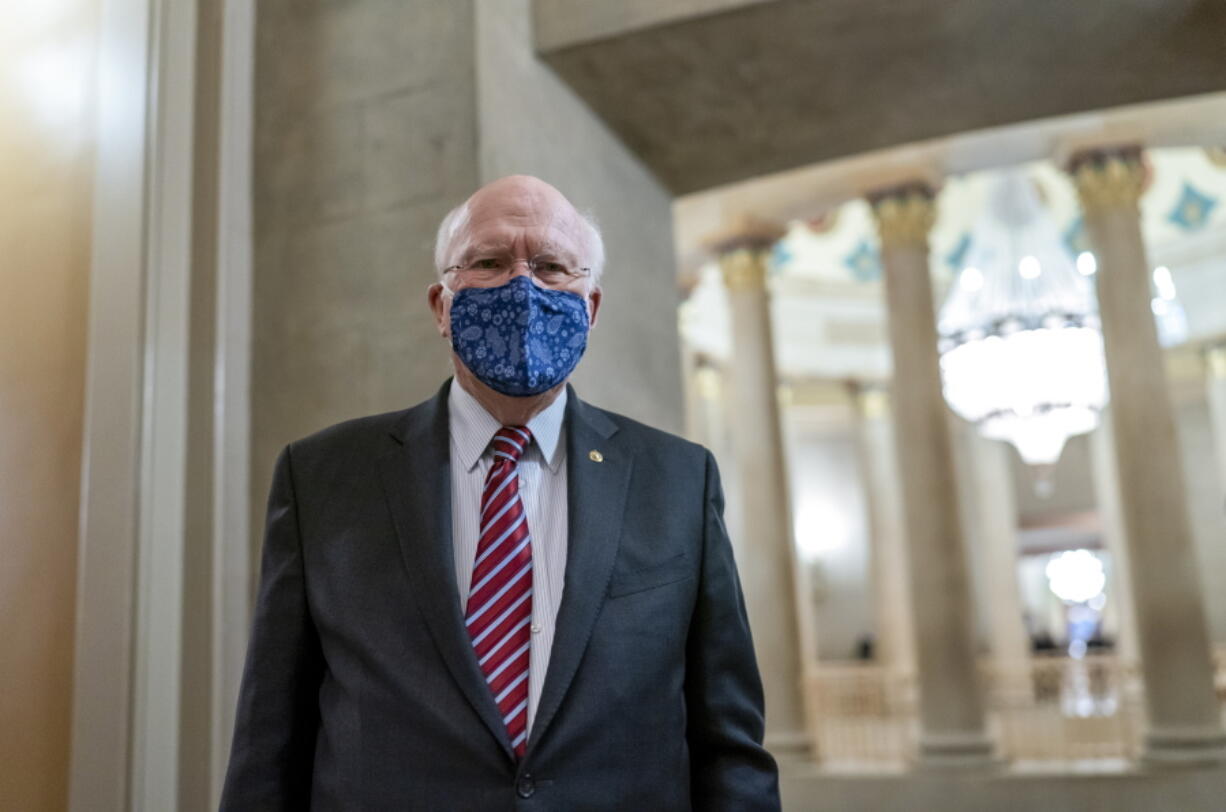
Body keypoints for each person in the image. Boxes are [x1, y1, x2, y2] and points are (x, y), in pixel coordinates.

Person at [220, 175, 780, 810]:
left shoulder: (678, 480)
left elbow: (728, 747)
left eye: (551, 267)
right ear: (441, 305)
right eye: (488, 263)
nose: (523, 287)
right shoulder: (322, 476)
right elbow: (271, 743)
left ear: (590, 306)